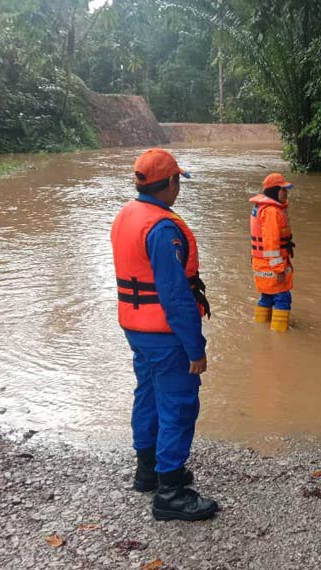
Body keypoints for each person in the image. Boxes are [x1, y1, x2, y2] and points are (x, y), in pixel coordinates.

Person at [110, 148, 217, 522]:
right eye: (178, 180)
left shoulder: (127, 215)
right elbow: (175, 296)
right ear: (170, 182)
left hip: (135, 328)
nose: (179, 187)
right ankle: (170, 491)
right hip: (165, 333)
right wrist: (195, 348)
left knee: (149, 394)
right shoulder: (162, 229)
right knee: (178, 404)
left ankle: (147, 471)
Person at [250, 173, 295, 332]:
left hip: (261, 263)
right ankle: (279, 334)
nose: (286, 193)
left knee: (267, 296)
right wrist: (279, 268)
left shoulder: (262, 208)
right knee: (283, 298)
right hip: (272, 265)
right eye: (283, 190)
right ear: (275, 191)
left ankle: (261, 329)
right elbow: (271, 243)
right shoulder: (272, 212)